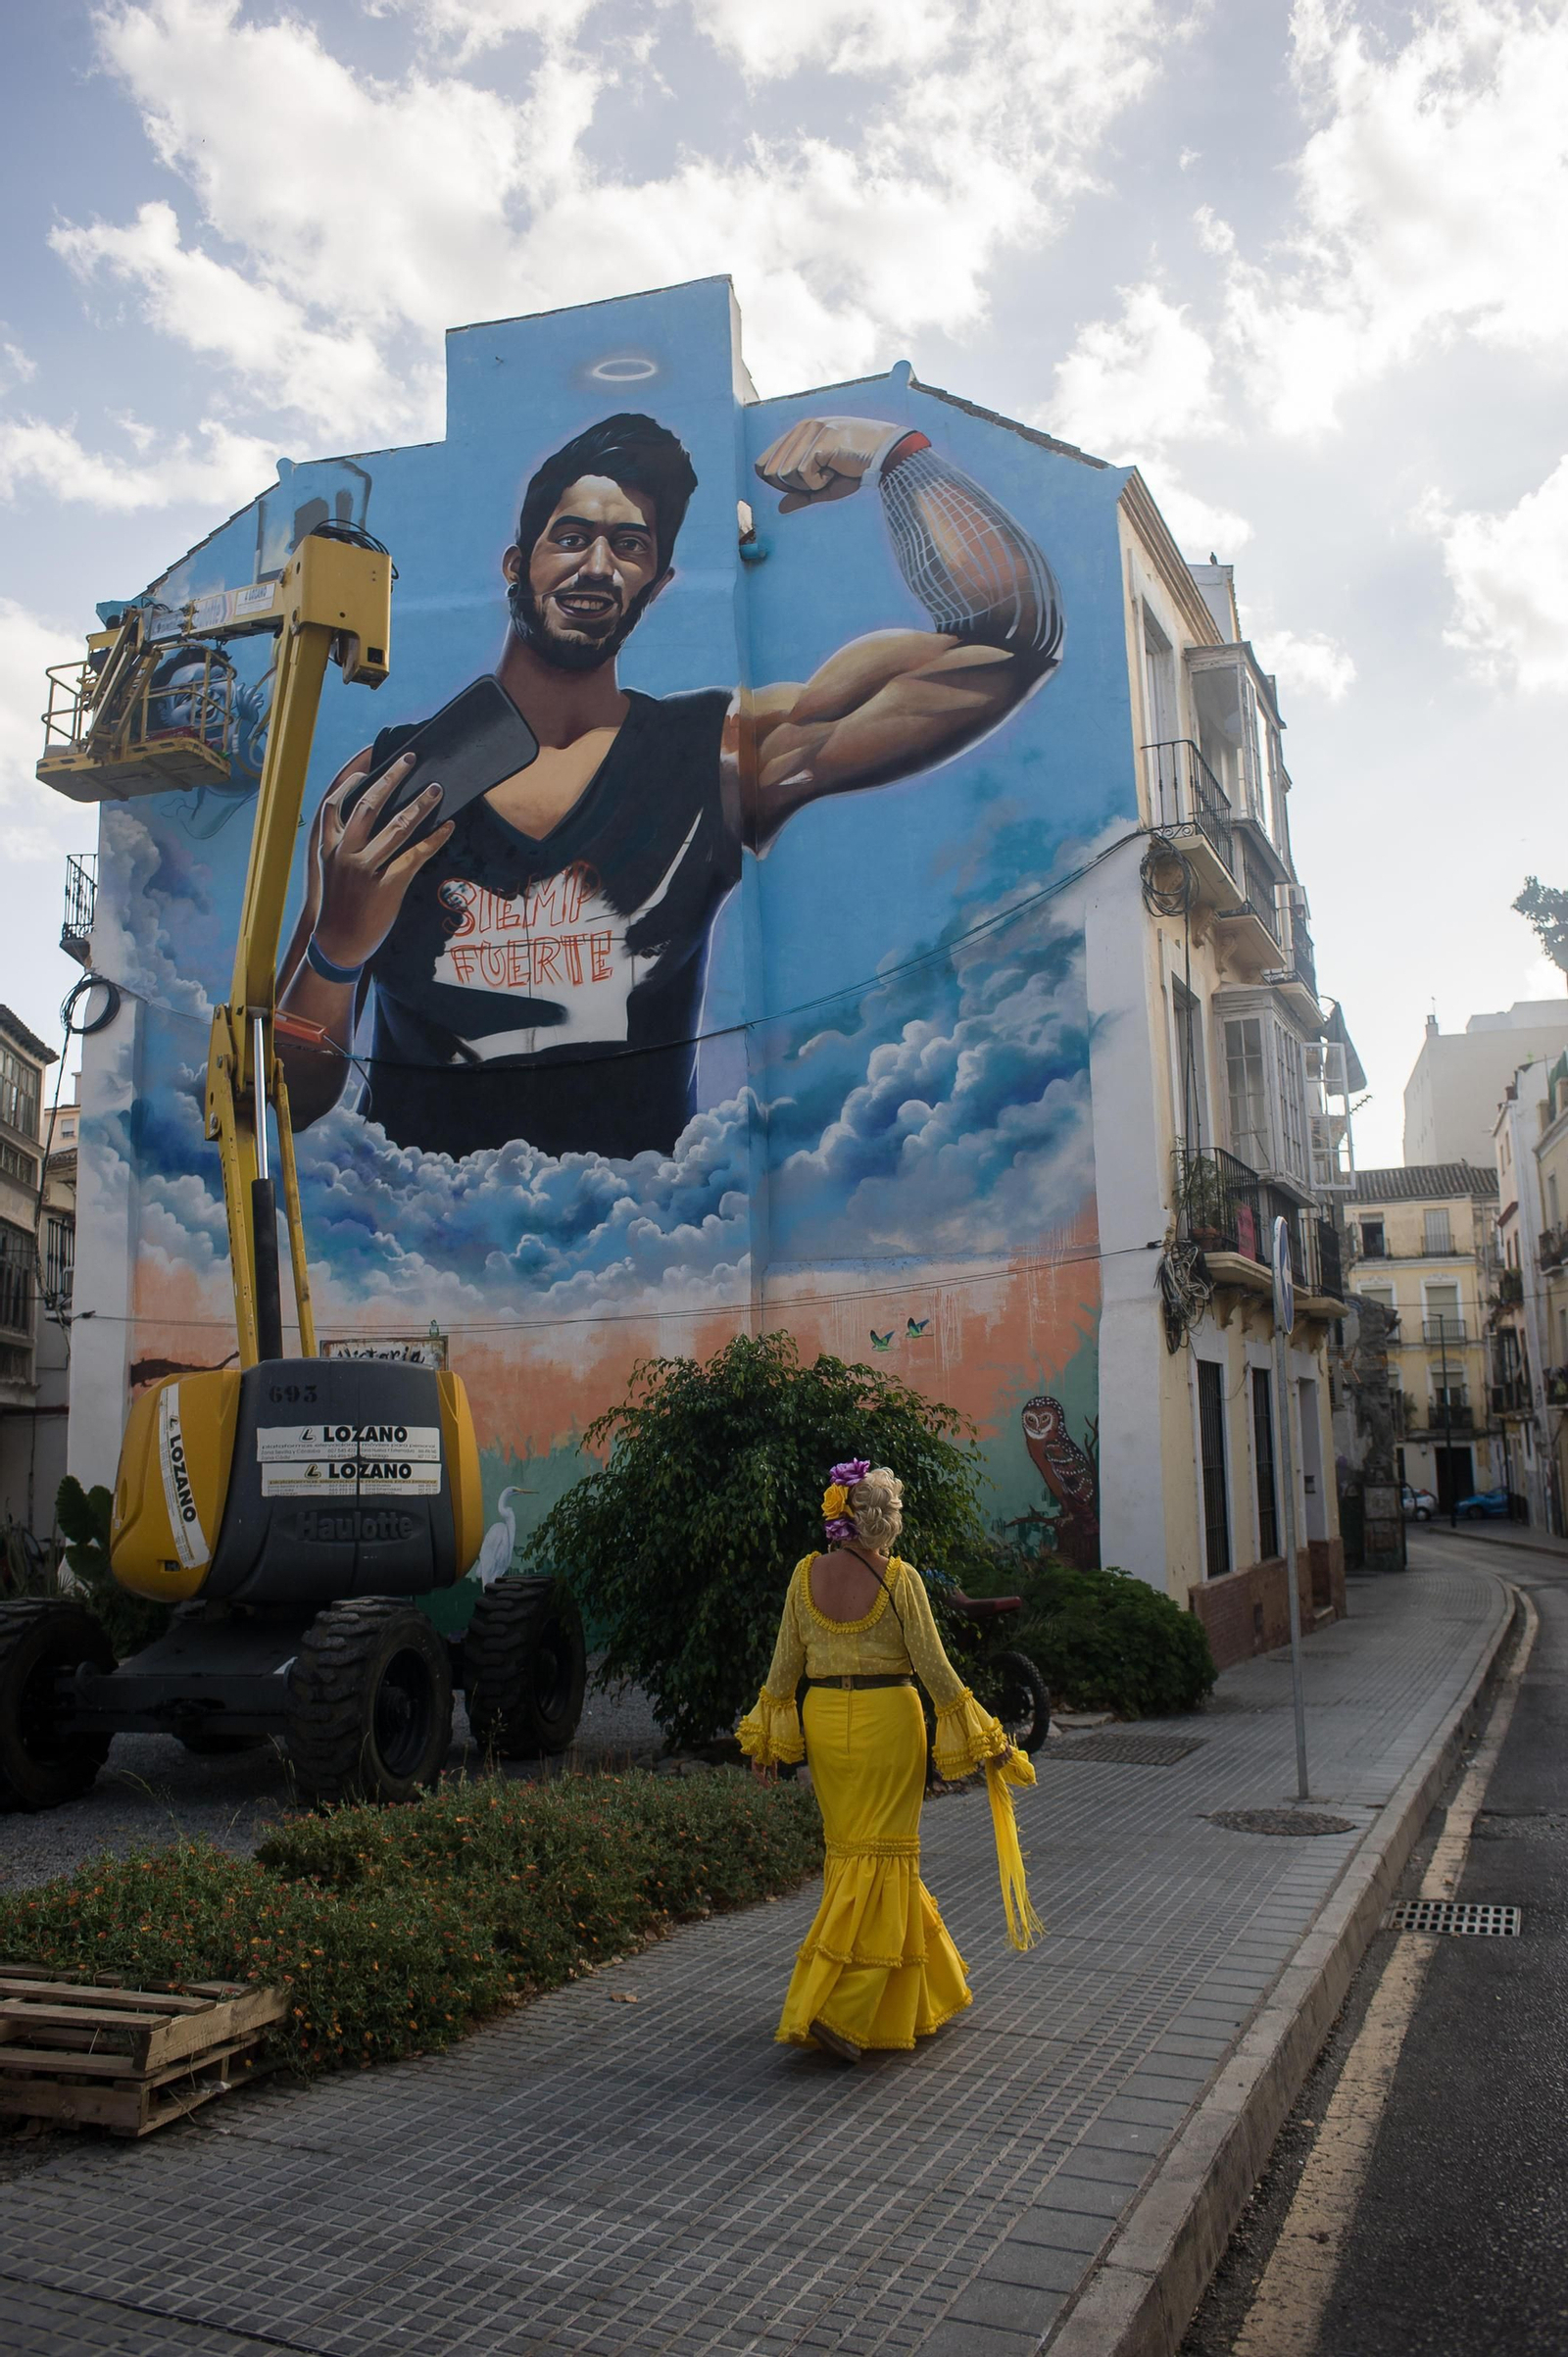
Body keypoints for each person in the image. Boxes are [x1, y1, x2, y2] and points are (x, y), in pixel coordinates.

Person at [276, 409, 1063, 1160]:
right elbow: (287, 1099)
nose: (595, 566)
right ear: (518, 563)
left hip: (648, 1261)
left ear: (657, 582)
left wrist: (895, 453)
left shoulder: (718, 761)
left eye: (629, 545)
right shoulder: (389, 790)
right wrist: (338, 951)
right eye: (571, 537)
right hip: (428, 1275)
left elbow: (1012, 641)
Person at [739, 1461, 1042, 2064]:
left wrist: (766, 1742)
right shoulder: (902, 1580)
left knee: (852, 1852)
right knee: (886, 1858)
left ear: (840, 1516)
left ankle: (921, 1991)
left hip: (826, 1723)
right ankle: (841, 2010)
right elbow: (937, 1673)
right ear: (887, 1522)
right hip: (891, 1723)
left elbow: (781, 1672)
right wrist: (991, 1738)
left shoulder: (804, 1577)